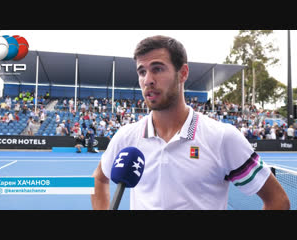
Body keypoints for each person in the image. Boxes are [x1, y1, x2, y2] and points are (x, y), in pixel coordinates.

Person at [91, 35, 290, 210]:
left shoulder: (222, 138)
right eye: (142, 72)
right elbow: (100, 178)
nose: (148, 80)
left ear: (183, 73)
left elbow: (278, 201)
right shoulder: (126, 136)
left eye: (158, 69)